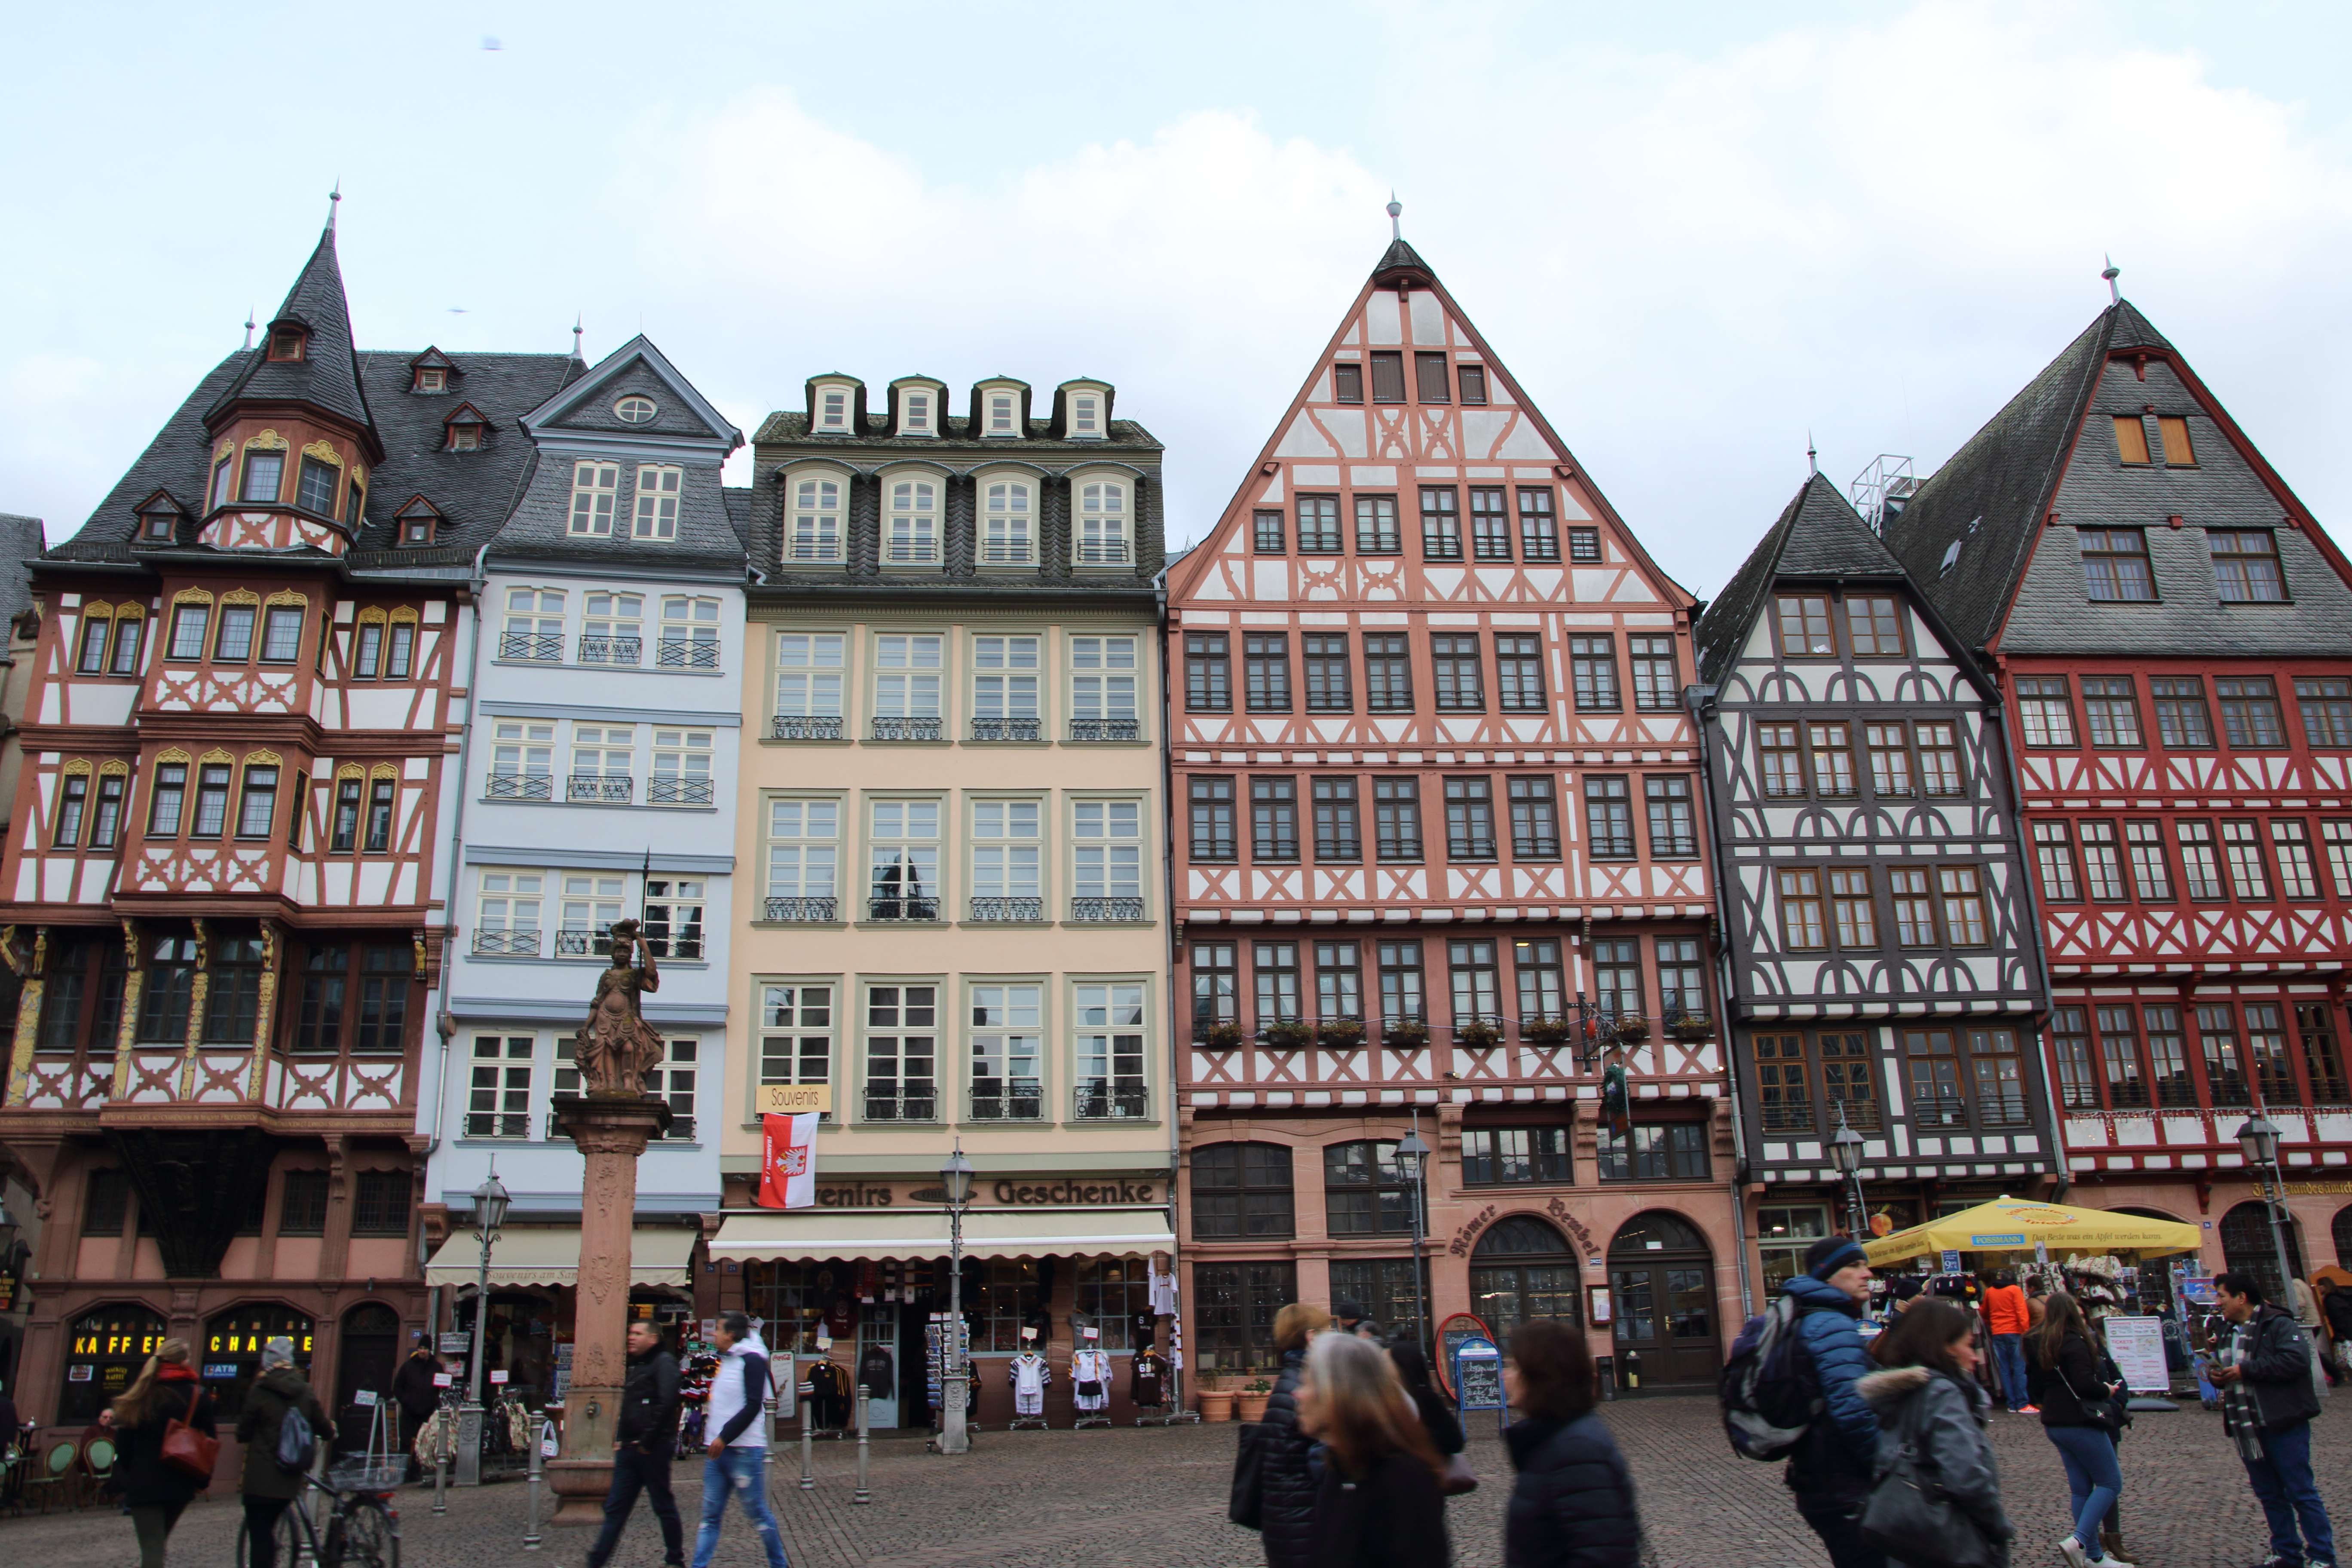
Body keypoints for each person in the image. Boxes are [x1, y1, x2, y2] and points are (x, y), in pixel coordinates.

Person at [1859, 1298, 2015, 1568]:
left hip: (1907, 1537)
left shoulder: (1899, 1391)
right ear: (1946, 1348)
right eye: (1968, 1345)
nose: (1976, 1356)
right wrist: (1997, 1526)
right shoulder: (1942, 1393)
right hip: (1944, 1539)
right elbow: (1965, 1473)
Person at [2211, 1271, 2336, 1568]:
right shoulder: (2228, 1330)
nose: (2218, 1303)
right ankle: (2286, 1553)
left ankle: (2322, 1556)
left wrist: (2246, 1370)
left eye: (2222, 1296)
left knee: (2301, 1491)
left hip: (2283, 1420)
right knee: (2269, 1494)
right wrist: (2218, 1376)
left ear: (2242, 1298)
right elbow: (2230, 1367)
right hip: (2248, 1426)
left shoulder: (2278, 1324)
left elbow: (2296, 1361)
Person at [1295, 1331, 1449, 1568]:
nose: (1297, 1394)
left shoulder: (1403, 1480)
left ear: (1338, 1392)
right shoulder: (1340, 1468)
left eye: (1307, 1383)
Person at [1502, 1317, 1641, 1568]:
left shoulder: (1577, 1452)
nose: (1504, 1375)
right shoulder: (1554, 1439)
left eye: (1513, 1366)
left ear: (1538, 1375)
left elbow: (1603, 1554)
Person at [1781, 1235, 1884, 1568]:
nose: (1867, 1273)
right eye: (1854, 1266)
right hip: (1844, 1484)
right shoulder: (1830, 1324)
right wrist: (1887, 1465)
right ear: (1828, 1275)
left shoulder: (1812, 1317)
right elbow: (1853, 1411)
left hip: (1822, 1479)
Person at [2027, 1292, 2130, 1568]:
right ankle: (2080, 1540)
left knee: (2081, 1490)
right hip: (2081, 1420)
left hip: (2054, 1422)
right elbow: (2085, 1385)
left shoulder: (2039, 1343)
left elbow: (2033, 1388)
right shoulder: (2075, 1341)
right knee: (2110, 1482)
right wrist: (2107, 1390)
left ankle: (2095, 1558)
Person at [692, 1311, 787, 1568]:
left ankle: (779, 1564)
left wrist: (724, 1437)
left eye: (718, 1329)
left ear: (731, 1334)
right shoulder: (729, 1360)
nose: (714, 1333)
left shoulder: (752, 1361)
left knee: (759, 1515)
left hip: (744, 1451)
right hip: (718, 1454)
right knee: (710, 1518)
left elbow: (753, 1405)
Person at [112, 1336, 215, 1568]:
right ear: (185, 1361)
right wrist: (202, 1479)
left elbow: (124, 1444)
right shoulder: (197, 1395)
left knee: (152, 1547)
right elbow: (210, 1440)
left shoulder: (142, 1393)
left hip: (144, 1481)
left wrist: (129, 1475)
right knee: (157, 1543)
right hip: (181, 1480)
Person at [588, 1320, 684, 1568]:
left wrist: (647, 1441)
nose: (631, 1337)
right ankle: (596, 1561)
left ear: (652, 1339)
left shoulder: (663, 1362)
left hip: (652, 1449)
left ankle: (675, 1558)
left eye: (638, 1334)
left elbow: (667, 1403)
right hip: (630, 1450)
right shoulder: (638, 1366)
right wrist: (621, 1439)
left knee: (663, 1505)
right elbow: (630, 1406)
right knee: (615, 1509)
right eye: (630, 1332)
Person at [239, 1336, 333, 1568]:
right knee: (272, 1523)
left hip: (259, 1479)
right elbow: (323, 1428)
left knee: (261, 1535)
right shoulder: (305, 1390)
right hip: (289, 1476)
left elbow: (243, 1432)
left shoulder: (260, 1390)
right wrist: (330, 1433)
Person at [1253, 1302, 1332, 1568]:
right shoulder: (1304, 1388)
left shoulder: (1291, 1380)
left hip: (1289, 1521)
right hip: (1305, 1524)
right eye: (1326, 1333)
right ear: (1311, 1337)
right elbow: (1323, 1463)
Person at [1385, 1341, 1468, 1498]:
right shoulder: (1392, 1398)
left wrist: (1416, 1440)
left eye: (1388, 1363)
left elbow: (1454, 1440)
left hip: (1423, 1480)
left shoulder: (1426, 1398)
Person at [391, 1332, 443, 1482]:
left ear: (430, 1350)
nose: (422, 1351)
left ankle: (416, 1470)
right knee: (406, 1441)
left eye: (425, 1348)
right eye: (420, 1348)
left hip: (427, 1410)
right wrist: (405, 1400)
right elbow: (398, 1387)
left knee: (423, 1441)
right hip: (409, 1410)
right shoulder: (408, 1366)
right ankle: (402, 1472)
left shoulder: (436, 1367)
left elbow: (442, 1387)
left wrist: (434, 1401)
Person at [1981, 1270, 2034, 1414]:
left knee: (2004, 1370)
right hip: (2014, 1332)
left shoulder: (1990, 1292)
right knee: (2019, 1369)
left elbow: (1984, 1312)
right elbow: (2021, 1312)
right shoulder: (2015, 1290)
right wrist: (2025, 1331)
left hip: (1997, 1333)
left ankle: (2011, 1404)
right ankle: (2022, 1404)